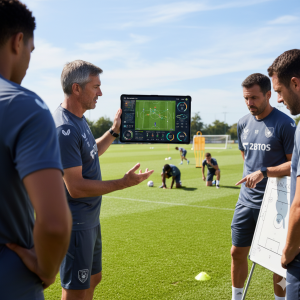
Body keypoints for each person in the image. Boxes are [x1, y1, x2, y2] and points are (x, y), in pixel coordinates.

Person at [53, 60, 154, 300]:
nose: (101, 92)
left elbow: (90, 152)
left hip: (90, 219)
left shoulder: (78, 118)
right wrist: (123, 182)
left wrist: (113, 131)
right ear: (77, 89)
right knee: (75, 289)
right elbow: (75, 188)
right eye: (96, 87)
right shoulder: (64, 128)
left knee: (93, 278)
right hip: (75, 223)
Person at [0, 1, 72, 299]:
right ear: (19, 42)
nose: (29, 61)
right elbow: (54, 224)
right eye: (31, 50)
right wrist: (47, 268)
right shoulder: (23, 106)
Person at [236, 50, 300, 300]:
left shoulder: (287, 125)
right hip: (246, 201)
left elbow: (293, 171)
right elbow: (246, 158)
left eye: (280, 92)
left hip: (278, 203)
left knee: (279, 264)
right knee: (236, 251)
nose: (249, 103)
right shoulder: (243, 123)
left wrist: (264, 173)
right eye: (246, 98)